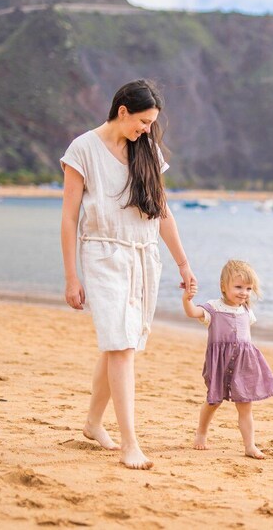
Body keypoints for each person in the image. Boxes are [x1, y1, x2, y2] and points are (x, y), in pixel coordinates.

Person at [60, 79, 196, 470]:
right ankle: (130, 444)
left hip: (143, 257)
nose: (147, 129)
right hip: (102, 254)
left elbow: (162, 212)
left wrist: (183, 264)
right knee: (120, 345)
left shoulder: (147, 149)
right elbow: (69, 219)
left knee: (123, 342)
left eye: (152, 123)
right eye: (143, 121)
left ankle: (91, 423)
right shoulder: (82, 149)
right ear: (123, 112)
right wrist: (72, 277)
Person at [182, 260, 273, 459]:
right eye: (238, 287)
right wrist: (187, 298)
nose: (244, 292)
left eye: (248, 288)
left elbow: (245, 341)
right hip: (220, 364)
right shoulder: (213, 308)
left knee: (245, 406)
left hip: (243, 365)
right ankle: (201, 433)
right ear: (223, 287)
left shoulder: (247, 312)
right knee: (213, 401)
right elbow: (192, 312)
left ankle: (249, 446)